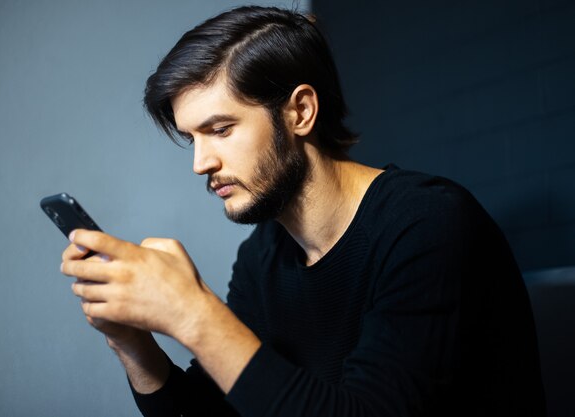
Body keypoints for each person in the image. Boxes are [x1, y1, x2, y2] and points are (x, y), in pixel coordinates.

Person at [60, 6, 546, 417]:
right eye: (192, 139)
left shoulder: (428, 224)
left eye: (221, 129)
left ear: (299, 112)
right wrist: (134, 344)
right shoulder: (264, 256)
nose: (200, 163)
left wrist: (191, 311)